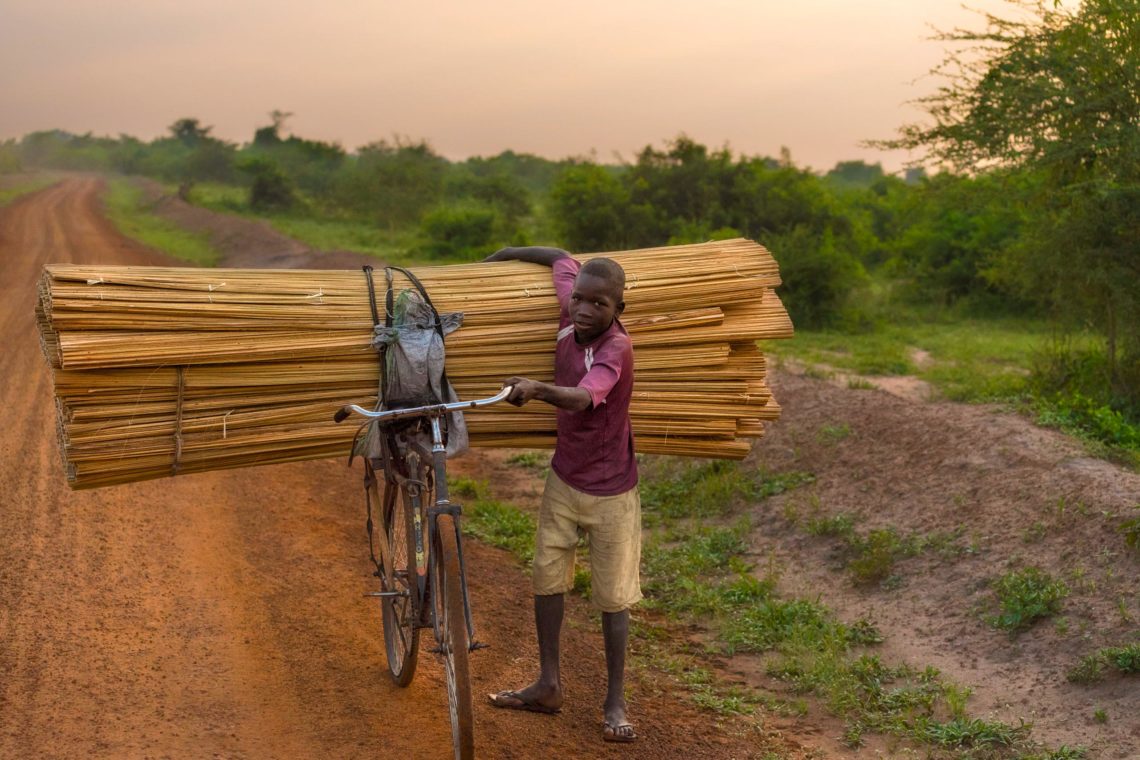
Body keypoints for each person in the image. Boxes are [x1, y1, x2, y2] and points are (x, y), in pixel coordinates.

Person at [484, 246, 640, 744]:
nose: (585, 310)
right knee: (547, 580)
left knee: (614, 598)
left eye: (599, 304)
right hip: (563, 479)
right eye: (580, 300)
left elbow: (583, 397)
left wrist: (537, 388)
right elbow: (561, 258)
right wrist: (505, 254)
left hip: (612, 491)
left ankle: (614, 701)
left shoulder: (615, 349)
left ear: (618, 309)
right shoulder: (569, 311)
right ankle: (548, 684)